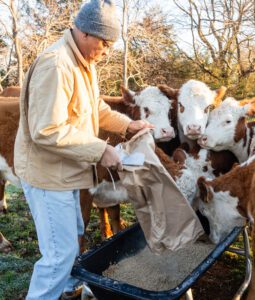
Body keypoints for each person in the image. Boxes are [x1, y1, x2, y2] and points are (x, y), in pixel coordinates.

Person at [14, 0, 153, 299]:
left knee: (74, 233)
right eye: (105, 44)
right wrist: (101, 151)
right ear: (87, 33)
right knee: (58, 256)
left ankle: (68, 288)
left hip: (65, 173)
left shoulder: (83, 63)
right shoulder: (57, 65)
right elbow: (47, 130)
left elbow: (96, 109)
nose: (106, 52)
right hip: (47, 177)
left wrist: (128, 126)